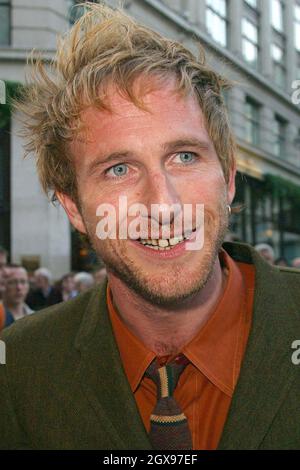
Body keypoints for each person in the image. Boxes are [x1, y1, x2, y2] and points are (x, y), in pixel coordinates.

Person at [0, 4, 299, 450]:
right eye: (119, 169)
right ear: (74, 208)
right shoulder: (18, 367)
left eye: (185, 157)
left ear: (229, 179)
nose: (163, 205)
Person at [1, 264, 33, 329]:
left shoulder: (35, 317)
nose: (19, 287)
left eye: (23, 282)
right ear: (2, 285)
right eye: (12, 282)